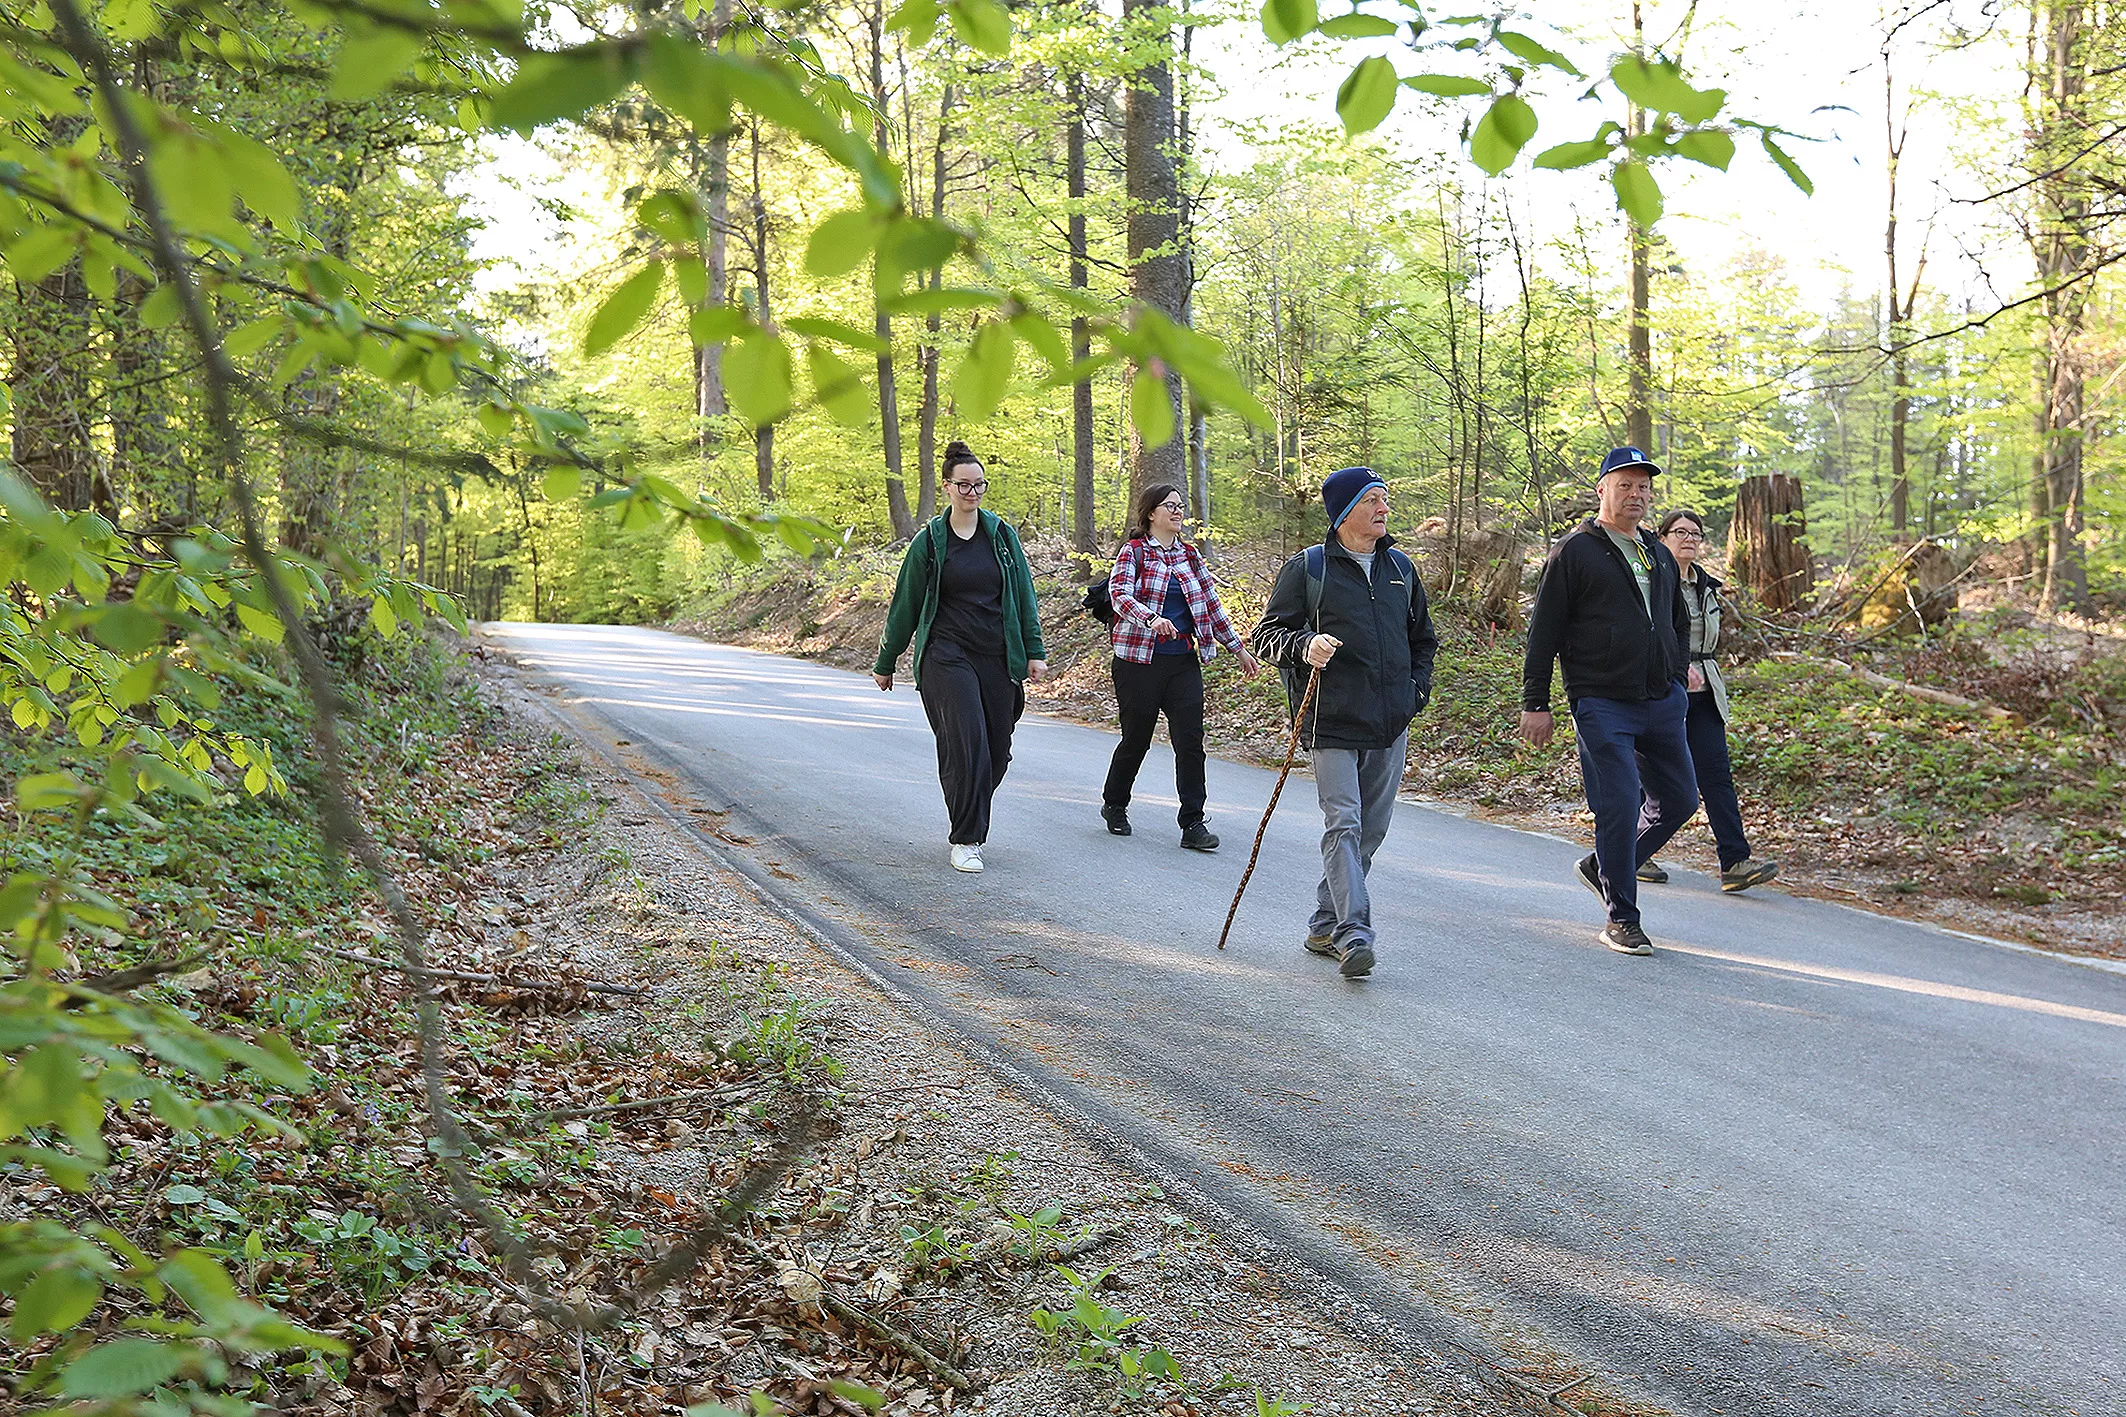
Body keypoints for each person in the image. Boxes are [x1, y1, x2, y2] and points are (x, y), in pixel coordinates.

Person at [1252, 467, 1438, 979]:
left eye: (1384, 499)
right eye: (1372, 500)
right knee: (1345, 823)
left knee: (1371, 830)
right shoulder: (1309, 568)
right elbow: (1266, 636)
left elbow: (1423, 640)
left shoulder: (1400, 568)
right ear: (1343, 512)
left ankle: (1323, 922)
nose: (1383, 509)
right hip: (1329, 719)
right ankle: (1353, 931)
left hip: (1389, 721)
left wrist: (1415, 693)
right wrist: (1303, 644)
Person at [1519, 446, 1698, 957]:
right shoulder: (1575, 551)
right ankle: (1622, 918)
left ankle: (1603, 864)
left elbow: (1677, 621)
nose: (1636, 495)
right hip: (1600, 700)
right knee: (1619, 803)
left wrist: (1676, 680)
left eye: (1643, 487)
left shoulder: (1657, 551)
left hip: (1660, 699)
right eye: (1626, 485)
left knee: (1680, 800)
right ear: (1602, 490)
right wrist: (1536, 701)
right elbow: (1544, 630)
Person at [872, 440, 1046, 874]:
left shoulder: (1001, 537)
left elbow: (1024, 596)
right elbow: (906, 603)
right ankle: (967, 838)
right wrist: (886, 660)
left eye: (979, 485)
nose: (972, 492)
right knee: (967, 743)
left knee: (996, 751)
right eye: (964, 485)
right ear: (947, 487)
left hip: (996, 654)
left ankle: (970, 808)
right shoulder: (930, 542)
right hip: (945, 655)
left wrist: (1034, 651)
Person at [1101, 483, 1262, 849]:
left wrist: (1238, 649)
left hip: (1183, 662)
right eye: (1169, 506)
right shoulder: (1134, 551)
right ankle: (1115, 803)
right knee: (1136, 739)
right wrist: (1151, 618)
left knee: (1190, 742)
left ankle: (1193, 823)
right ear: (1150, 513)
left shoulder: (1190, 555)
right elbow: (1119, 595)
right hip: (1139, 662)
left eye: (1180, 506)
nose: (1177, 512)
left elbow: (1211, 604)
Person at [1636, 510, 1779, 893]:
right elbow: (1647, 632)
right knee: (1652, 774)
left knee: (1716, 775)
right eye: (1680, 532)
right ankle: (1636, 849)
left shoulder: (1706, 586)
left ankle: (1734, 862)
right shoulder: (1651, 580)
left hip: (1706, 693)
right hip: (1662, 689)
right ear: (1662, 538)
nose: (1689, 539)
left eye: (1695, 534)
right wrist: (1676, 668)